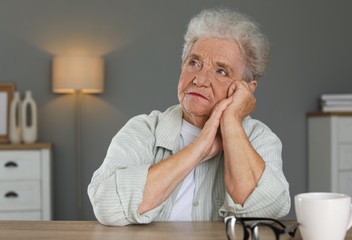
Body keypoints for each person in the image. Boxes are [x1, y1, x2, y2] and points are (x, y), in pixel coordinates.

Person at [88, 8, 290, 226]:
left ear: (246, 90)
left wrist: (231, 122)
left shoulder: (259, 137)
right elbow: (107, 205)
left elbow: (269, 209)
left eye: (221, 71)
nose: (200, 79)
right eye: (194, 63)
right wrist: (198, 150)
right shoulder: (143, 129)